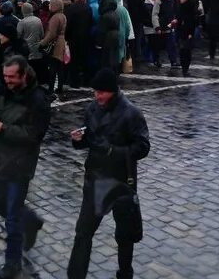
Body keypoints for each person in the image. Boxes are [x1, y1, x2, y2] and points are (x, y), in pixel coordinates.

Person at [67, 69, 151, 279]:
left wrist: (115, 151)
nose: (97, 97)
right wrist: (79, 140)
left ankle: (125, 273)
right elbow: (91, 139)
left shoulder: (131, 113)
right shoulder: (92, 108)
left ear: (113, 91)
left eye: (102, 93)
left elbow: (143, 147)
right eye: (95, 92)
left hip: (121, 181)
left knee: (124, 235)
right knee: (83, 233)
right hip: (95, 180)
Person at [0, 55, 52, 279]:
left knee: (12, 216)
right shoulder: (0, 86)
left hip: (19, 164)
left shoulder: (38, 100)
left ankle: (12, 263)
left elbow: (33, 135)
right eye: (5, 76)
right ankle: (31, 220)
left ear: (23, 76)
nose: (6, 80)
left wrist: (4, 129)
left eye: (11, 77)